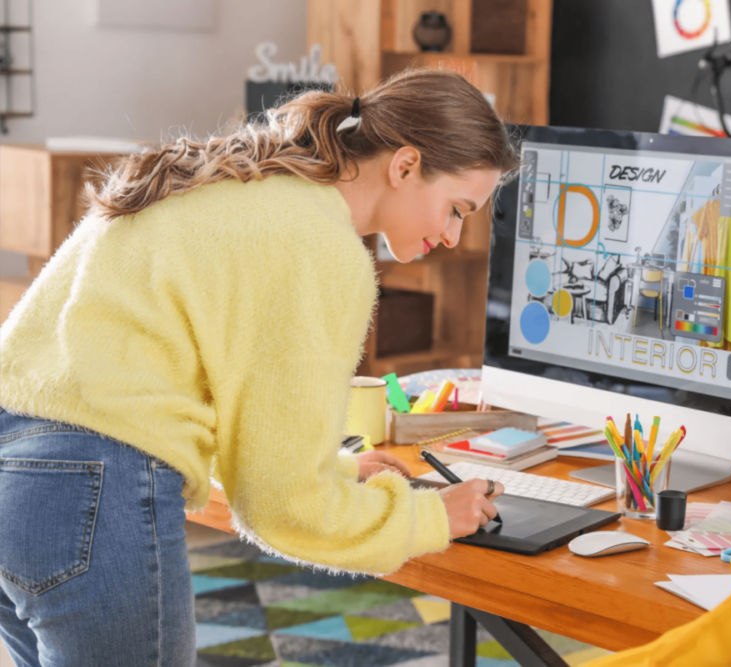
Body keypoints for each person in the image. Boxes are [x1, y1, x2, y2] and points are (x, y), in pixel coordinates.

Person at [0, 68, 518, 666]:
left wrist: (331, 469)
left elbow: (164, 379)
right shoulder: (318, 245)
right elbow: (283, 508)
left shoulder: (247, 182)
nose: (453, 236)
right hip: (91, 494)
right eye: (457, 209)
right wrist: (433, 516)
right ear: (405, 166)